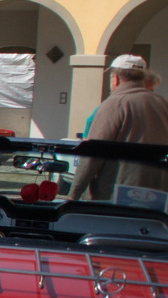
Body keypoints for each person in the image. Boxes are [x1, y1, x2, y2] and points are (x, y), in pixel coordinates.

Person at [70, 54, 168, 199]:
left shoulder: (115, 103)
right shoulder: (162, 103)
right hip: (157, 195)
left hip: (118, 195)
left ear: (115, 78)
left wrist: (74, 194)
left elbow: (93, 153)